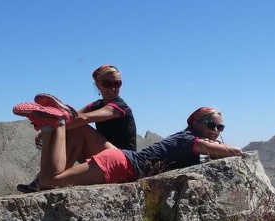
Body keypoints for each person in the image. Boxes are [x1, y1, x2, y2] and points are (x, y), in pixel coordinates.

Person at [12, 100, 243, 190]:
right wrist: (229, 149)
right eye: (213, 125)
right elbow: (233, 152)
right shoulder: (190, 140)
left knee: (81, 131)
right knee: (49, 183)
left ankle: (54, 126)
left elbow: (82, 120)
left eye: (220, 128)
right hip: (123, 165)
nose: (216, 132)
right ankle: (55, 126)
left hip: (119, 155)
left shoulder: (183, 137)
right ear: (197, 124)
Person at [16, 64, 137, 192]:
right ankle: (50, 177)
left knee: (79, 128)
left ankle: (47, 178)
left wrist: (52, 127)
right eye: (107, 83)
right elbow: (74, 116)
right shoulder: (96, 104)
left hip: (122, 160)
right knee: (73, 130)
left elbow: (84, 118)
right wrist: (48, 131)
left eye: (117, 84)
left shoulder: (119, 107)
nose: (113, 88)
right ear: (98, 85)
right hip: (108, 157)